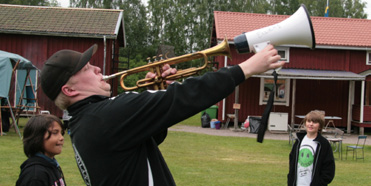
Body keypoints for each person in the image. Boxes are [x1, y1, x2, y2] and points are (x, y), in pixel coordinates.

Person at [40, 43, 284, 185]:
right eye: (86, 68)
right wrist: (246, 68)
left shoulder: (87, 121)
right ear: (69, 89)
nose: (96, 68)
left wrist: (154, 95)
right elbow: (184, 97)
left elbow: (150, 139)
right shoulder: (105, 115)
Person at [287, 110, 335, 186]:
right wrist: (290, 179)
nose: (311, 124)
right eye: (309, 121)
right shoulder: (299, 141)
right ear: (305, 123)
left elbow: (329, 168)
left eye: (315, 122)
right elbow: (292, 161)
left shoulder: (323, 144)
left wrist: (319, 183)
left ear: (320, 126)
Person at [16, 114, 66, 186]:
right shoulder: (35, 175)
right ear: (37, 137)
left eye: (61, 133)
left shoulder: (51, 165)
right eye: (55, 133)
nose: (61, 138)